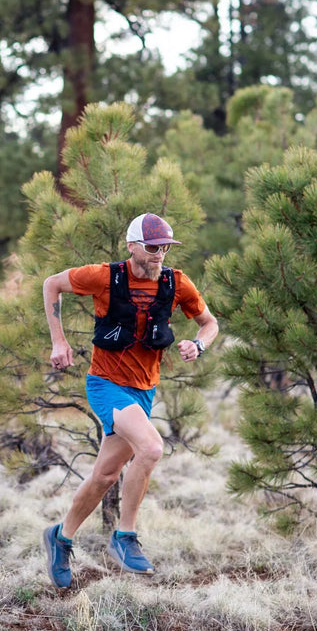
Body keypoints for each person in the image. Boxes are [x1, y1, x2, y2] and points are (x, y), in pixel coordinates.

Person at [40, 212, 218, 589]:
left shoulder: (176, 283)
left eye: (166, 247)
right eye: (153, 247)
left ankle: (61, 537)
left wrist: (198, 345)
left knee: (104, 475)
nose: (160, 254)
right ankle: (125, 535)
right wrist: (58, 340)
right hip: (106, 384)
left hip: (144, 390)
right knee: (151, 448)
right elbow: (51, 284)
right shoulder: (105, 276)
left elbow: (210, 322)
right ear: (133, 245)